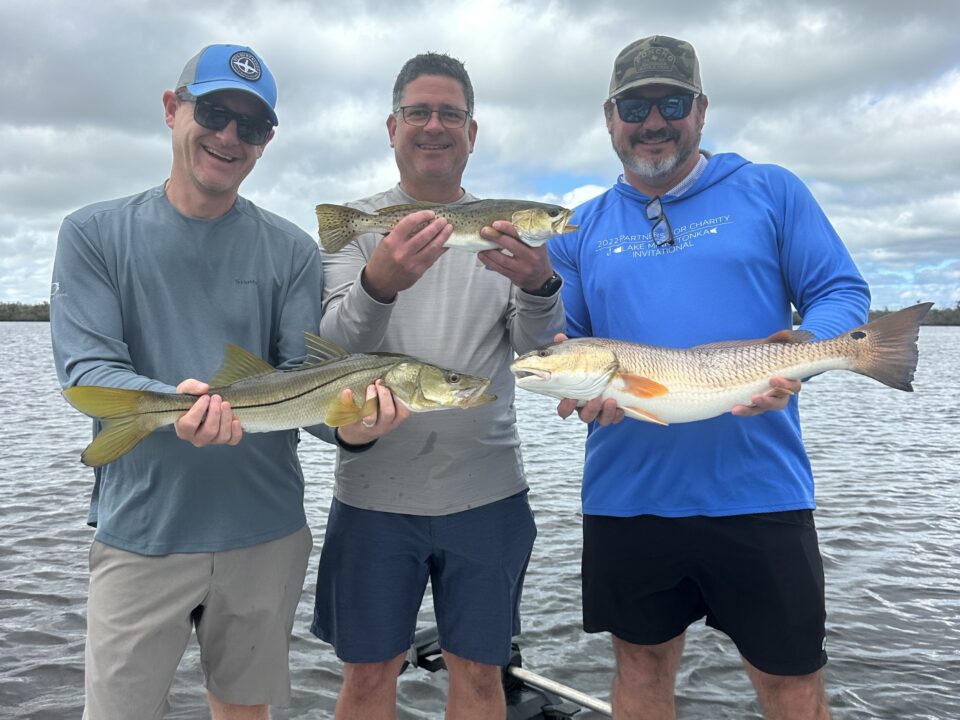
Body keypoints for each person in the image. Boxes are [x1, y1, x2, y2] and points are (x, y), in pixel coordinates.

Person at [50, 44, 403, 720]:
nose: (230, 136)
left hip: (265, 532)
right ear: (171, 109)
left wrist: (355, 431)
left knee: (245, 711)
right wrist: (172, 403)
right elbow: (87, 371)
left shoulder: (292, 249)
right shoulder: (93, 233)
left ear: (267, 141)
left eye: (253, 125)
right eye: (214, 113)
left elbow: (303, 385)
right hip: (142, 528)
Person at [548, 35, 871, 720]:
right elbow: (565, 341)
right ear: (609, 117)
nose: (653, 122)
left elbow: (840, 290)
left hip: (760, 489)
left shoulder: (770, 190)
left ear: (700, 109)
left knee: (791, 683)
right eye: (635, 107)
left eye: (672, 104)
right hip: (627, 495)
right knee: (640, 669)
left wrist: (802, 352)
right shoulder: (578, 228)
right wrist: (581, 394)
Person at [310, 52, 566, 719]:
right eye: (418, 112)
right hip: (371, 497)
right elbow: (334, 351)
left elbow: (540, 354)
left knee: (481, 677)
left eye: (450, 114)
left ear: (471, 133)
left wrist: (540, 286)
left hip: (490, 494)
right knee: (368, 677)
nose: (433, 126)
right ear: (391, 127)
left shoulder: (510, 230)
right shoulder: (352, 225)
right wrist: (379, 285)